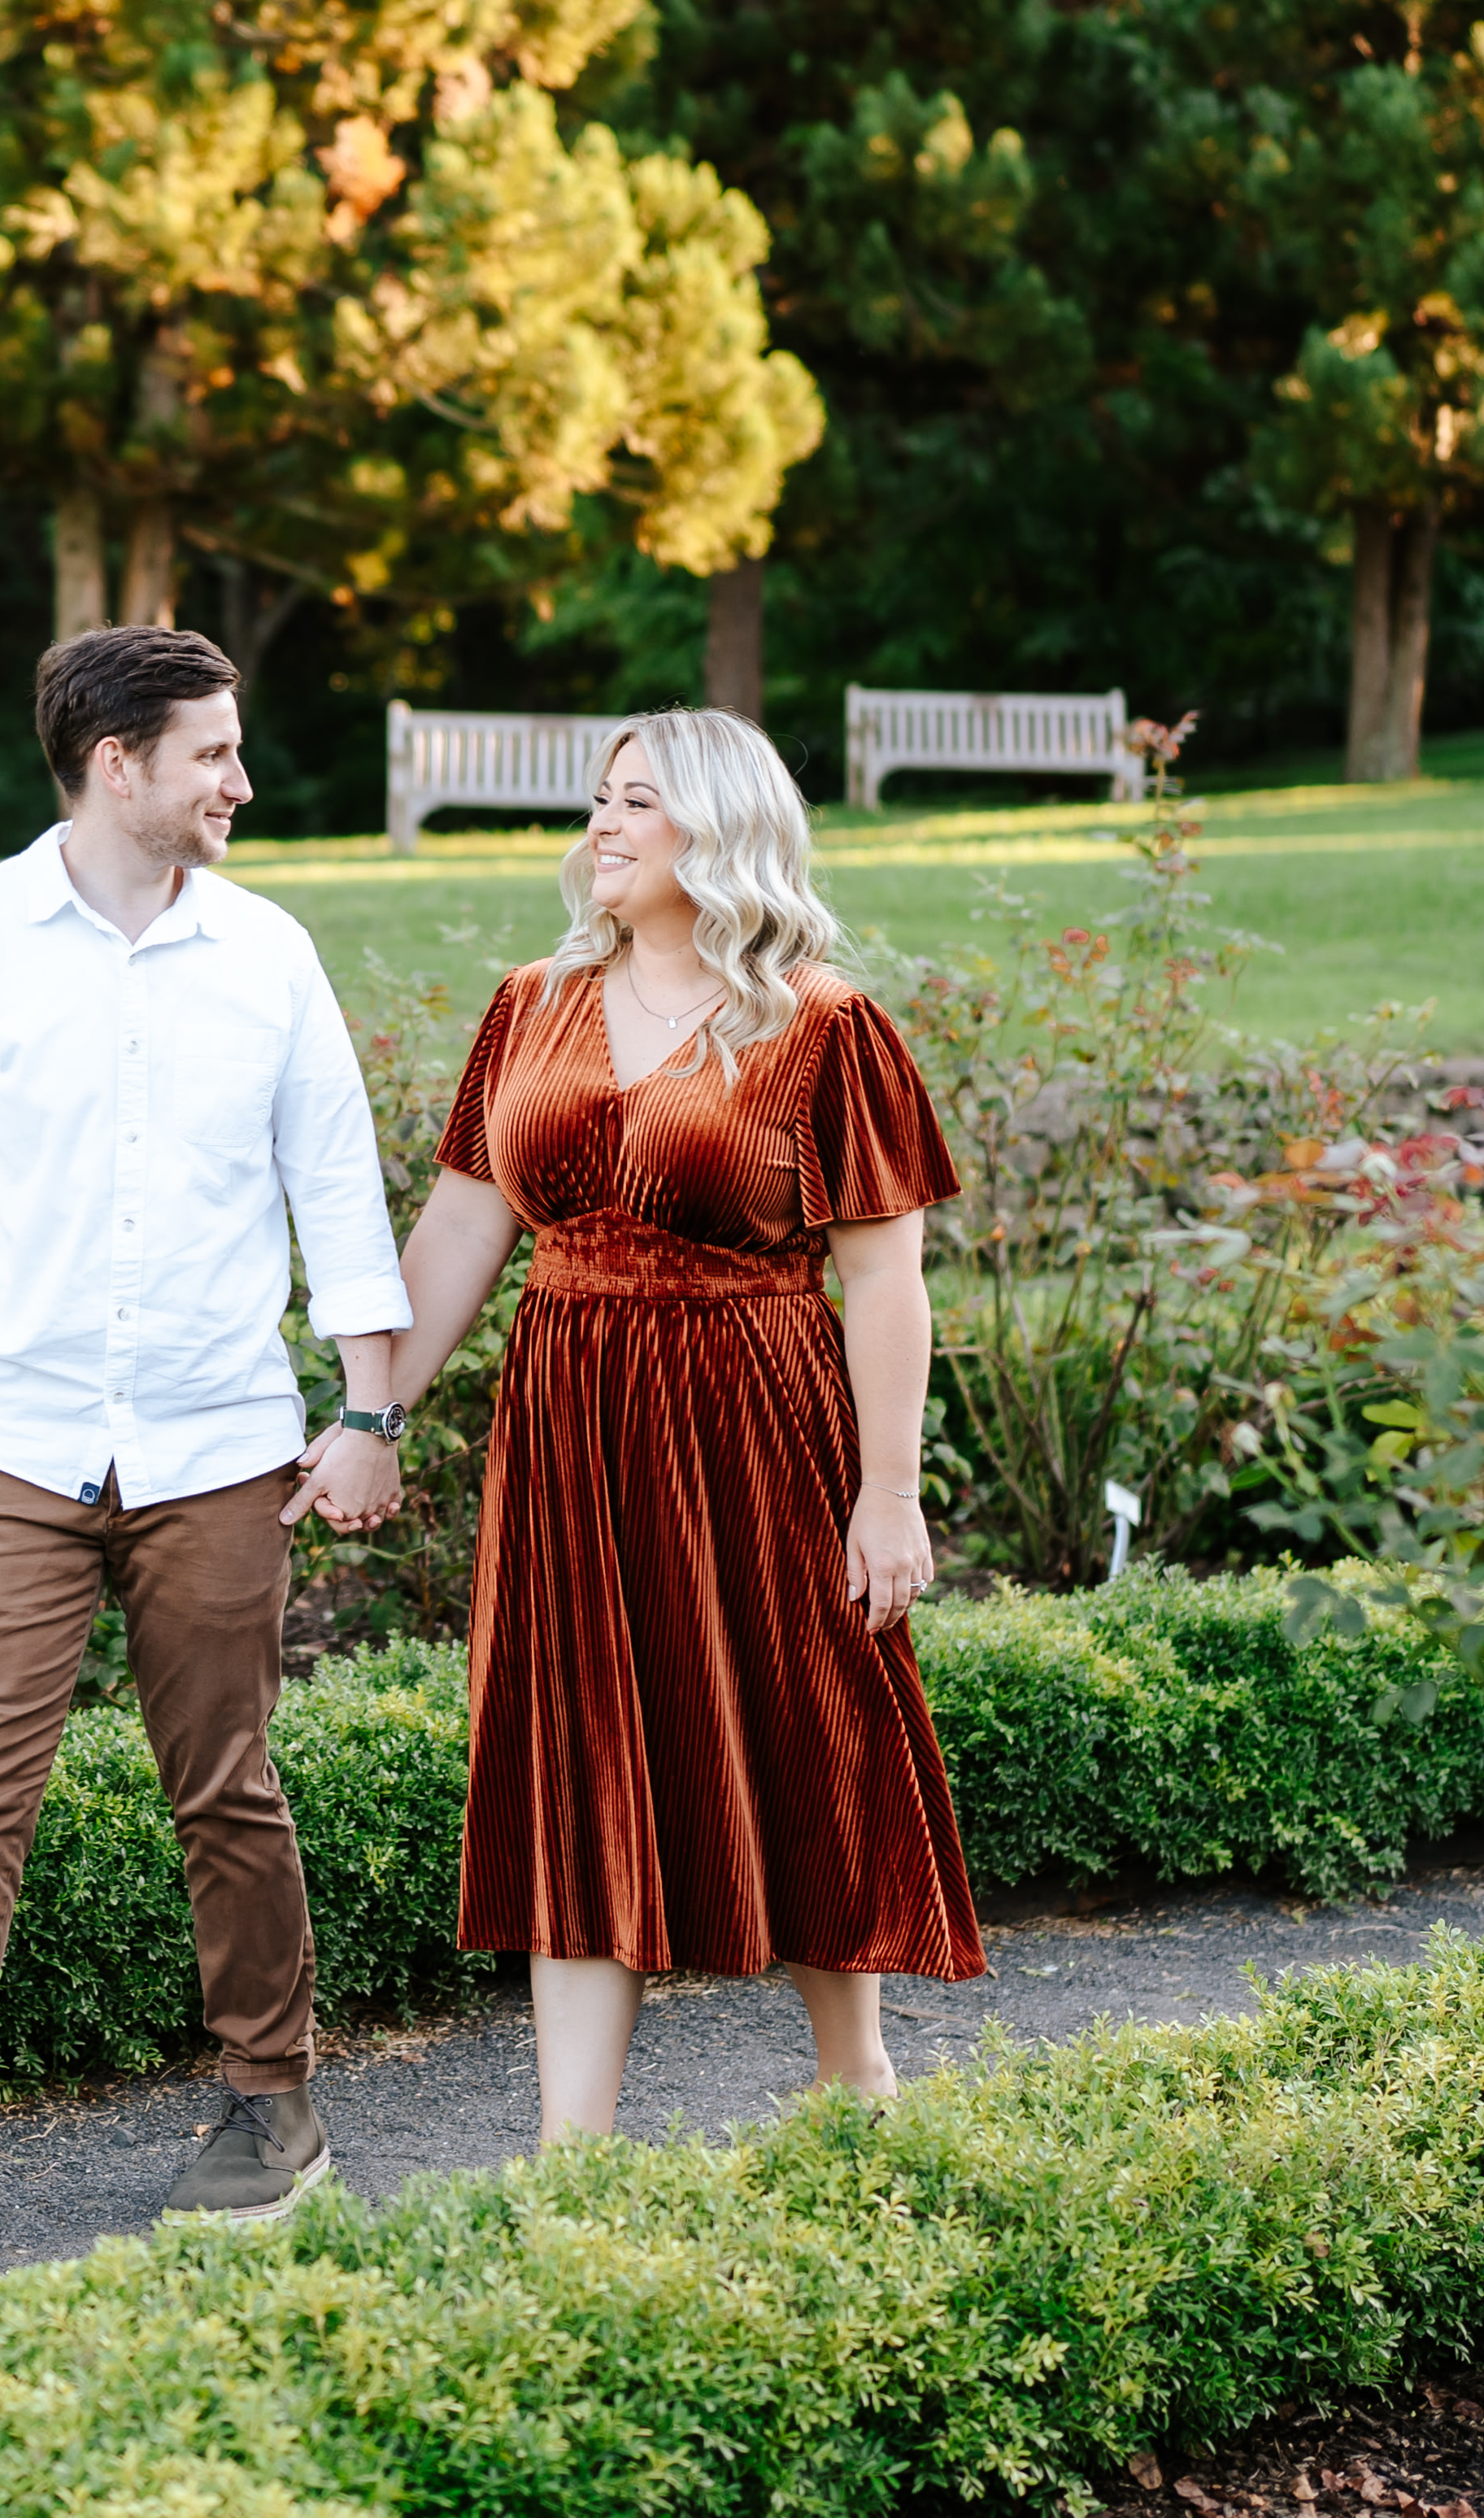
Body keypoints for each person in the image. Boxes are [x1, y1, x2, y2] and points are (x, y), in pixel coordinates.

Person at [0, 625, 417, 2269]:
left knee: (228, 1787)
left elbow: (340, 1191)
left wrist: (367, 1409)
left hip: (214, 1445)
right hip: (6, 1441)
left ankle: (274, 2098)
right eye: (214, 753)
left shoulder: (268, 953)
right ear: (119, 764)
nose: (241, 781)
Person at [346, 704, 986, 2143]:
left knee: (805, 1712)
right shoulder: (533, 1005)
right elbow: (466, 1222)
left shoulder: (821, 1023)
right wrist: (368, 1413)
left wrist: (889, 1494)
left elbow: (885, 1272)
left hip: (758, 1413)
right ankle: (575, 2154)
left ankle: (855, 2078)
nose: (603, 826)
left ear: (723, 828)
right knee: (576, 1740)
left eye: (639, 801)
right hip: (572, 1420)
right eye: (600, 799)